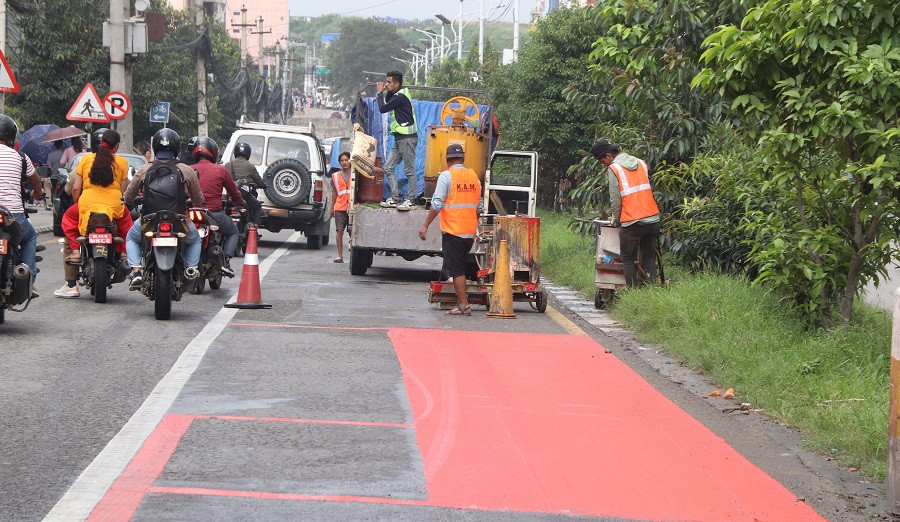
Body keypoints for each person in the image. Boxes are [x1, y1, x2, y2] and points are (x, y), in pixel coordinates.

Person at [122, 128, 205, 290]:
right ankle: (190, 268)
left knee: (132, 238)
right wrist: (197, 204)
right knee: (195, 239)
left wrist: (127, 200)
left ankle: (137, 271)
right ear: (176, 147)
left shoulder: (145, 169)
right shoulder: (186, 170)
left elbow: (129, 194)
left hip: (149, 220)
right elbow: (197, 199)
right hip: (179, 220)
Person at [418, 144, 482, 316]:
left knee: (456, 269)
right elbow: (479, 206)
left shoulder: (447, 176)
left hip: (453, 230)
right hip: (468, 232)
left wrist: (425, 225)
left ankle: (464, 305)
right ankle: (461, 303)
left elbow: (437, 203)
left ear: (447, 159)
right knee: (458, 266)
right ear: (463, 158)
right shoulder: (474, 177)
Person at [590, 139, 661, 287]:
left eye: (602, 160)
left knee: (627, 258)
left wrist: (615, 220)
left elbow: (616, 201)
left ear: (609, 155)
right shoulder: (641, 163)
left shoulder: (614, 169)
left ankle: (632, 293)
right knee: (649, 258)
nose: (604, 164)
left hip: (633, 222)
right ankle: (651, 291)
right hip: (652, 218)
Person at [0, 115, 43, 296]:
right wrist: (38, 193)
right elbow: (36, 181)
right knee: (30, 237)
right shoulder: (20, 156)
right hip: (13, 217)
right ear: (11, 136)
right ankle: (28, 279)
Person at [191, 136, 244, 277]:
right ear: (213, 152)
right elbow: (234, 192)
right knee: (233, 232)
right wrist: (240, 201)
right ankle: (225, 261)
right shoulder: (220, 170)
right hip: (214, 213)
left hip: (190, 213)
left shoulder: (188, 169)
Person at [376, 70, 418, 211]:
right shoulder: (397, 95)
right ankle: (395, 198)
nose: (386, 84)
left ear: (397, 83)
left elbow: (382, 108)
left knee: (409, 170)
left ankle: (410, 200)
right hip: (399, 138)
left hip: (407, 139)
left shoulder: (400, 96)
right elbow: (388, 101)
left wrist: (379, 93)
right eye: (386, 82)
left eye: (389, 82)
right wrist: (385, 92)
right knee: (388, 167)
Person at [224, 141, 265, 226]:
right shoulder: (250, 166)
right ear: (248, 153)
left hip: (230, 197)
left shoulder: (228, 165)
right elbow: (260, 182)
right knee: (257, 206)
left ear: (235, 152)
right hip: (245, 197)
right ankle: (254, 229)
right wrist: (264, 186)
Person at [331, 151, 352, 263]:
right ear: (339, 162)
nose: (344, 162)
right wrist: (332, 207)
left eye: (346, 160)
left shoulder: (355, 174)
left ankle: (353, 254)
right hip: (340, 207)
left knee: (352, 231)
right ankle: (340, 256)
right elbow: (334, 192)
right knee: (339, 231)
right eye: (342, 161)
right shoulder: (335, 176)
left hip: (352, 207)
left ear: (350, 161)